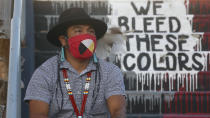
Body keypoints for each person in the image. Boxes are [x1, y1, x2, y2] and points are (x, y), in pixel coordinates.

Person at [24, 8, 126, 118]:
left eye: (91, 31)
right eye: (78, 31)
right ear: (63, 40)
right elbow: (38, 115)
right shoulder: (45, 73)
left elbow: (117, 112)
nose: (86, 36)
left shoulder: (110, 72)